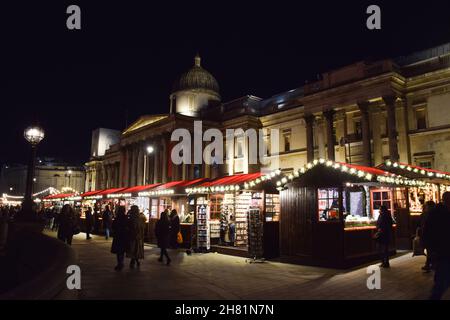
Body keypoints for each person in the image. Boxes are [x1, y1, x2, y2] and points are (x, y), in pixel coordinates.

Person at [424, 192, 450, 300]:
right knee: (441, 280)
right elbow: (428, 233)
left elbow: (427, 232)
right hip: (442, 251)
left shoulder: (434, 213)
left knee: (441, 279)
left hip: (441, 250)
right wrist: (431, 250)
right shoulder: (437, 213)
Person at [419, 200, 436, 272]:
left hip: (429, 235)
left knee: (430, 251)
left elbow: (423, 225)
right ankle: (430, 264)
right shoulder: (432, 214)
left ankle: (430, 264)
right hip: (431, 236)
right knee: (430, 251)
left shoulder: (427, 214)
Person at [111, 206, 128, 271]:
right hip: (124, 236)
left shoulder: (117, 218)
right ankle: (121, 262)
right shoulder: (126, 218)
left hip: (118, 236)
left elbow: (113, 226)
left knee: (118, 251)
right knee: (122, 251)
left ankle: (119, 263)